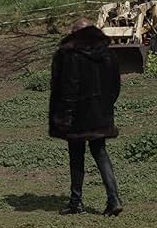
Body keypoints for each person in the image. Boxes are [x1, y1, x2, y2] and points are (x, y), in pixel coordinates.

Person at [49, 18, 122, 216]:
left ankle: (76, 202)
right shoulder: (108, 53)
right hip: (100, 114)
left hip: (77, 116)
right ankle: (114, 199)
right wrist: (106, 105)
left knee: (76, 156)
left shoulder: (70, 55)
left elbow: (68, 88)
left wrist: (64, 116)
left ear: (76, 33)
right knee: (100, 153)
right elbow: (116, 85)